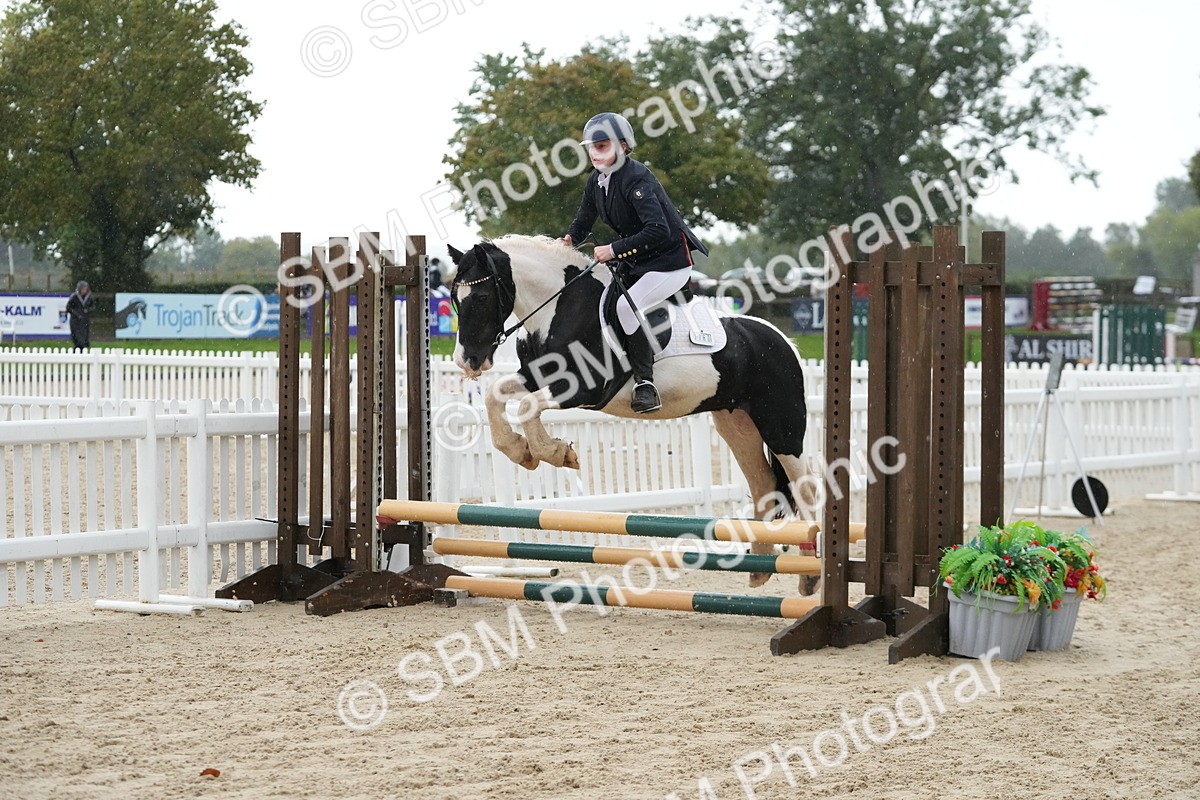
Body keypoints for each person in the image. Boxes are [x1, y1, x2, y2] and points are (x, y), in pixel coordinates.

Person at [562, 112, 709, 413]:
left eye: (602, 146)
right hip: (639, 262)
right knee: (598, 300)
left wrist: (613, 249)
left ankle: (645, 383)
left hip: (669, 263)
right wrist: (567, 240)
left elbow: (658, 230)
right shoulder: (597, 181)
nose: (595, 153)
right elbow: (584, 218)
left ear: (623, 146)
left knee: (624, 307)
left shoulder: (637, 178)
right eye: (592, 147)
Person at [65, 280, 96, 351]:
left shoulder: (89, 297)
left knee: (84, 337)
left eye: (85, 288)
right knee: (77, 338)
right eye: (83, 289)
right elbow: (68, 307)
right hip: (75, 320)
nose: (84, 290)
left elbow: (93, 307)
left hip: (84, 320)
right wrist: (76, 313)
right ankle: (77, 350)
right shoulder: (74, 297)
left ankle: (83, 350)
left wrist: (88, 310)